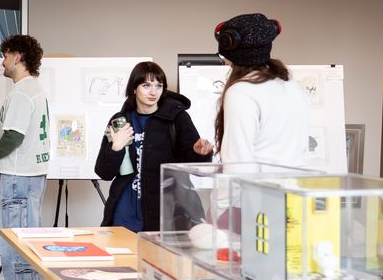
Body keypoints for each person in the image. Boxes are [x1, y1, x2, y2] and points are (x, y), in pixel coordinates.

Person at [95, 61, 208, 232]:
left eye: (158, 85)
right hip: (124, 212)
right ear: (134, 88)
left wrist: (200, 153)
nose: (153, 92)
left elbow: (190, 164)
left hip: (164, 211)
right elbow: (103, 172)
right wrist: (115, 148)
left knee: (157, 258)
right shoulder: (120, 120)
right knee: (123, 258)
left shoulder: (177, 118)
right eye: (146, 85)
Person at [0, 34, 51, 280]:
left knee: (16, 237)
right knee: (23, 233)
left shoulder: (22, 92)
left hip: (18, 176)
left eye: (5, 55)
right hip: (30, 175)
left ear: (17, 57)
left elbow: (13, 136)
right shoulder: (33, 89)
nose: (2, 61)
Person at [207, 13, 309, 167]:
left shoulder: (241, 92)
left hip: (256, 189)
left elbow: (237, 162)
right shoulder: (292, 86)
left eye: (223, 56)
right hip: (291, 187)